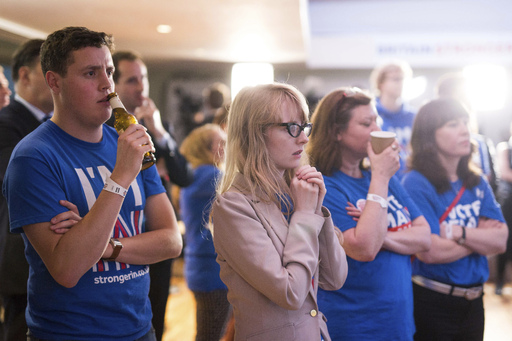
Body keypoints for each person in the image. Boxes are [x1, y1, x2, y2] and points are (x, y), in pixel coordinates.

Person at [2, 26, 183, 340]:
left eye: (109, 72)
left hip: (140, 328)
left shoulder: (130, 143)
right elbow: (68, 269)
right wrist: (120, 178)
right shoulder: (33, 157)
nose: (107, 86)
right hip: (68, 332)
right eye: (90, 73)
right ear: (54, 81)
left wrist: (102, 247)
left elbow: (171, 241)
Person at [211, 82, 348, 341]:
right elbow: (291, 293)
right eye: (291, 127)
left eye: (304, 126)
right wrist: (306, 216)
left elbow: (335, 277)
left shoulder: (295, 194)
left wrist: (316, 208)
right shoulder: (233, 206)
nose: (304, 138)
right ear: (255, 133)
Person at [307, 87, 431, 341]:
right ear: (336, 131)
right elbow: (364, 248)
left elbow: (424, 237)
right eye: (367, 123)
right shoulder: (324, 185)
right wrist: (382, 177)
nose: (377, 129)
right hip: (355, 324)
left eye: (377, 120)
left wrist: (380, 235)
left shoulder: (382, 178)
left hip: (398, 321)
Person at [402, 98, 508, 341]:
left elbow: (501, 240)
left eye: (464, 122)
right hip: (432, 302)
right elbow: (430, 251)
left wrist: (458, 232)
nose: (464, 130)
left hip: (474, 303)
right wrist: (480, 237)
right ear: (430, 135)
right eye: (452, 124)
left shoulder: (476, 181)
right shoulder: (415, 182)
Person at [112, 50, 193, 341]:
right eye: (132, 80)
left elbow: (185, 176)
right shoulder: (105, 129)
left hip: (160, 232)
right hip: (122, 234)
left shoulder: (158, 126)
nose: (141, 87)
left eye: (143, 78)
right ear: (115, 86)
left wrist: (157, 130)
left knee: (156, 312)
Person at [0, 38, 54, 341]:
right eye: (48, 73)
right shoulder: (6, 122)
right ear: (24, 75)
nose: (55, 82)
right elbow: (26, 178)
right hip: (20, 261)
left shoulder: (55, 125)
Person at [179, 124, 230, 341]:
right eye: (222, 143)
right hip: (211, 269)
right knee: (209, 335)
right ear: (207, 149)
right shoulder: (209, 175)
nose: (228, 148)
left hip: (202, 266)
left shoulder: (195, 174)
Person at [435, 72, 498, 193]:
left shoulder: (480, 142)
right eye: (460, 96)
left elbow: (490, 183)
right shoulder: (432, 141)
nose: (465, 101)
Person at [369, 60, 416, 179]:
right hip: (381, 179)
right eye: (395, 79)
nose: (400, 83)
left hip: (409, 181)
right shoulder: (370, 116)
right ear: (381, 83)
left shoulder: (414, 116)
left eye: (403, 79)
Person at [490, 122, 512, 295]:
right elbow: (504, 173)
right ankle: (499, 281)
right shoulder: (505, 148)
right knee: (507, 238)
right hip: (508, 199)